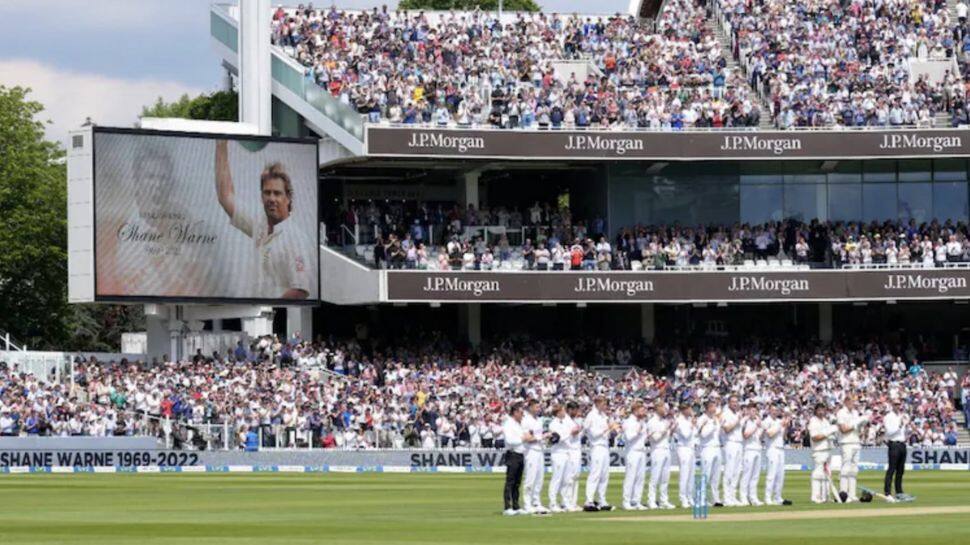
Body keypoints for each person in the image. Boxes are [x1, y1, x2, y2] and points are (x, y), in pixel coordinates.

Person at [215, 140, 312, 299]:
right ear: (261, 195)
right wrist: (221, 144)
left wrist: (271, 308)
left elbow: (300, 290)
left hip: (276, 318)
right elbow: (225, 197)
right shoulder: (259, 225)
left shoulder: (296, 239)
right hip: (257, 316)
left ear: (288, 198)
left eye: (277, 193)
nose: (271, 198)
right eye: (267, 193)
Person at [584, 397, 618, 511]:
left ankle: (602, 500)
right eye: (604, 403)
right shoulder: (591, 416)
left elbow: (606, 433)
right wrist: (608, 427)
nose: (606, 406)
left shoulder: (603, 416)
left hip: (604, 446)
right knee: (595, 474)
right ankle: (589, 500)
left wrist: (611, 429)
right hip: (596, 446)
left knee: (604, 475)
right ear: (598, 403)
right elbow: (593, 434)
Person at [837, 395, 868, 502]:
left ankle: (852, 494)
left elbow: (858, 430)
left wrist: (861, 425)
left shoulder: (855, 413)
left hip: (856, 442)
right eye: (851, 401)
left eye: (854, 401)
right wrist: (855, 425)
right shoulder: (841, 413)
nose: (853, 403)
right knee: (845, 468)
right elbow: (843, 429)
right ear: (846, 401)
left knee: (854, 470)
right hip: (846, 443)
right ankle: (843, 494)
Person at [501, 402, 530, 516]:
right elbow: (510, 440)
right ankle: (507, 507)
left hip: (520, 454)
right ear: (515, 412)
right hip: (512, 454)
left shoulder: (518, 424)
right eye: (520, 412)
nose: (522, 415)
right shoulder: (508, 424)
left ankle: (516, 506)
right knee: (510, 481)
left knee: (517, 482)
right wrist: (523, 438)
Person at [646, 401, 676, 509]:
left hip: (666, 449)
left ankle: (664, 500)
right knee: (655, 477)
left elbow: (667, 436)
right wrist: (666, 429)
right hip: (657, 450)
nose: (666, 410)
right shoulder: (652, 422)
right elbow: (655, 438)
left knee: (665, 478)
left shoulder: (664, 421)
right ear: (658, 408)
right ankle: (651, 500)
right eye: (664, 408)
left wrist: (671, 428)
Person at [521, 399, 548, 514]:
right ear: (530, 407)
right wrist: (540, 437)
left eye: (539, 407)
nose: (539, 409)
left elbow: (538, 436)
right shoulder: (526, 420)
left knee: (539, 478)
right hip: (530, 451)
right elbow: (527, 438)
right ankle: (527, 503)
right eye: (537, 407)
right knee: (530, 478)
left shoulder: (538, 420)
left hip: (540, 450)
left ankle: (536, 502)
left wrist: (544, 438)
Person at [621, 401, 649, 510]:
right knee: (630, 477)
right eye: (642, 410)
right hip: (632, 451)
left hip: (641, 451)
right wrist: (638, 431)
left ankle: (636, 501)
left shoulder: (642, 422)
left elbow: (644, 437)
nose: (644, 412)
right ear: (635, 410)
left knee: (640, 478)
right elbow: (628, 437)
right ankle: (626, 501)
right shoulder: (628, 422)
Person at [697, 400, 724, 507]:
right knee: (705, 474)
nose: (714, 409)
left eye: (715, 406)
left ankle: (715, 499)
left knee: (716, 476)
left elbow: (718, 434)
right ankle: (701, 498)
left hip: (716, 448)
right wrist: (712, 425)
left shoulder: (715, 419)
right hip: (707, 448)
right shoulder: (702, 419)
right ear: (707, 408)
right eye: (712, 406)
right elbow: (703, 434)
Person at [809, 403, 836, 504]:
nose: (821, 412)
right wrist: (827, 433)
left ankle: (825, 496)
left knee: (827, 474)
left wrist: (832, 435)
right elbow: (814, 437)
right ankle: (815, 497)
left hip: (828, 449)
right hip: (818, 450)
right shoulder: (813, 421)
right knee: (818, 473)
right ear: (816, 411)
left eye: (823, 410)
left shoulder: (826, 421)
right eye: (819, 410)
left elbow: (830, 434)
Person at [547, 404, 572, 512]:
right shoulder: (553, 424)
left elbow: (573, 428)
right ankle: (552, 503)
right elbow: (559, 438)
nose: (564, 412)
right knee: (556, 479)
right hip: (557, 453)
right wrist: (570, 432)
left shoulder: (565, 421)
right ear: (558, 412)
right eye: (562, 410)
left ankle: (564, 502)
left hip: (566, 452)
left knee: (566, 479)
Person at [883, 399, 909, 501]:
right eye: (896, 404)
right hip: (893, 444)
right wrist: (900, 425)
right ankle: (887, 492)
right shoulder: (888, 417)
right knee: (891, 469)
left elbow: (903, 432)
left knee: (900, 470)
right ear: (892, 405)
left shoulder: (901, 416)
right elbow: (889, 433)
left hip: (902, 444)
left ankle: (899, 492)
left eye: (899, 404)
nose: (898, 406)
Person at [762, 405, 788, 505]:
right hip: (772, 449)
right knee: (771, 474)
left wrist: (785, 426)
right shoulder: (766, 421)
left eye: (776, 410)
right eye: (772, 410)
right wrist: (780, 425)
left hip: (781, 448)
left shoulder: (778, 421)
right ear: (769, 411)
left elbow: (784, 437)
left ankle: (778, 497)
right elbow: (770, 434)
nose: (774, 412)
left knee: (780, 475)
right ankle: (767, 497)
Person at [720, 396, 743, 506]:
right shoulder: (725, 413)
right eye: (733, 402)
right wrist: (737, 420)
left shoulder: (737, 413)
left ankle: (733, 496)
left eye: (736, 401)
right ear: (728, 403)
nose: (735, 403)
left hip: (739, 443)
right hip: (730, 443)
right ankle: (726, 497)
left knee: (737, 471)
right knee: (729, 471)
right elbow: (727, 429)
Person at [739, 403, 764, 506]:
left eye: (756, 411)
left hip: (758, 449)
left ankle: (753, 497)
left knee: (755, 475)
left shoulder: (756, 421)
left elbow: (759, 438)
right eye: (753, 411)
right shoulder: (745, 421)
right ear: (748, 411)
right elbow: (745, 435)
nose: (755, 413)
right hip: (748, 449)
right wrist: (756, 426)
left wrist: (760, 428)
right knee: (747, 474)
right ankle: (743, 497)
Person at [674, 404, 697, 509]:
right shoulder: (679, 420)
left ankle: (689, 496)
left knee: (691, 474)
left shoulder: (688, 420)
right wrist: (692, 425)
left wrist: (692, 424)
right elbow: (686, 435)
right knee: (684, 474)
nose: (691, 410)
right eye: (689, 408)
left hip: (691, 448)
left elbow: (695, 434)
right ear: (684, 410)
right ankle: (683, 498)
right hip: (683, 448)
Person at [563, 401, 584, 512]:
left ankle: (573, 502)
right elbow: (565, 435)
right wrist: (572, 432)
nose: (576, 412)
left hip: (577, 450)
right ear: (570, 410)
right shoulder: (565, 421)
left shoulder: (576, 421)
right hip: (569, 450)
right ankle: (566, 502)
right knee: (569, 477)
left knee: (576, 476)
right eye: (574, 410)